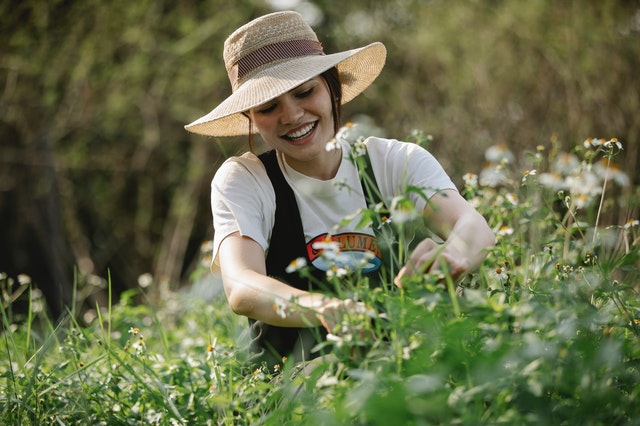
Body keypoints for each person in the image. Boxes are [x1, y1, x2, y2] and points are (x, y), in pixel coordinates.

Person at [185, 11, 495, 366]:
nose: (291, 116)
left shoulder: (393, 161)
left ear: (332, 85)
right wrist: (323, 308)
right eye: (269, 107)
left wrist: (453, 254)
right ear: (250, 118)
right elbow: (241, 285)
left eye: (304, 92)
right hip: (293, 391)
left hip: (400, 369)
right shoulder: (245, 179)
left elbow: (475, 228)